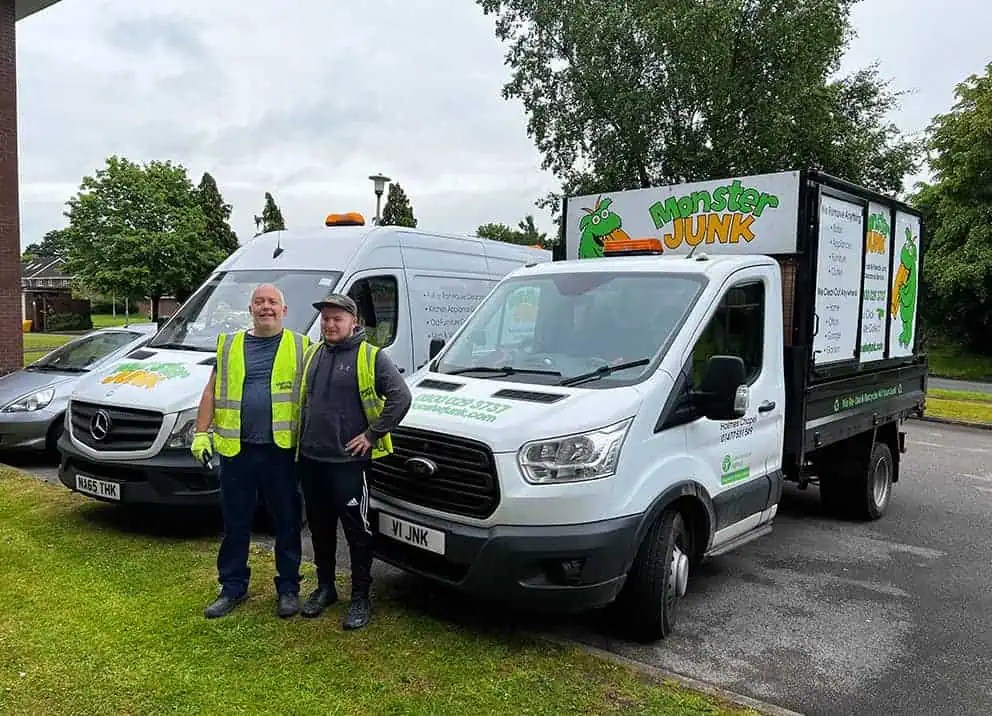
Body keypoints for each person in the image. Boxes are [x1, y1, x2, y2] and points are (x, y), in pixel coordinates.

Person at [191, 283, 310, 619]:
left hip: (282, 453)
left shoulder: (302, 346)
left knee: (287, 523)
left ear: (284, 311)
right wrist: (202, 433)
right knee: (235, 523)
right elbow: (211, 391)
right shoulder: (229, 346)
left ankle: (288, 588)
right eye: (259, 302)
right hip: (237, 452)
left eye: (273, 302)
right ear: (251, 309)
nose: (266, 307)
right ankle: (232, 588)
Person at [296, 293, 412, 630]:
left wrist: (372, 435)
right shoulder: (313, 354)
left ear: (353, 322)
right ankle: (326, 587)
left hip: (348, 463)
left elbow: (401, 398)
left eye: (337, 319)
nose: (330, 324)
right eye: (326, 319)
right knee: (319, 529)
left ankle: (360, 596)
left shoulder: (370, 356)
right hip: (312, 459)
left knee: (357, 532)